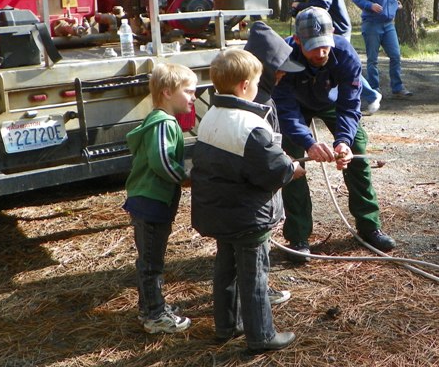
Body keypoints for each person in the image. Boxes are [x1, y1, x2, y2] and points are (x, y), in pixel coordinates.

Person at [191, 49, 304, 352]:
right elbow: (272, 171)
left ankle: (226, 324)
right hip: (247, 216)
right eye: (255, 81)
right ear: (244, 86)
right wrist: (292, 168)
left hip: (219, 212)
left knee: (225, 268)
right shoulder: (250, 126)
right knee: (255, 275)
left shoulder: (210, 116)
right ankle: (262, 335)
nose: (257, 87)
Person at [272, 7, 397, 260]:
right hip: (296, 105)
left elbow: (350, 105)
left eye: (324, 46)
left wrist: (344, 142)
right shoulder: (283, 57)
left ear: (333, 35)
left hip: (329, 101)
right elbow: (285, 110)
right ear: (297, 40)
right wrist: (308, 143)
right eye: (313, 47)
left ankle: (369, 226)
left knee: (357, 151)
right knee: (292, 164)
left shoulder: (345, 53)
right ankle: (297, 238)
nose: (320, 53)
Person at [122, 62, 197, 334]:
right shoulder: (165, 123)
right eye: (188, 91)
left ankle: (149, 308)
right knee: (152, 263)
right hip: (152, 202)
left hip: (147, 200)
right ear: (167, 92)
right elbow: (161, 161)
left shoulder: (157, 119)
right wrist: (185, 177)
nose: (193, 97)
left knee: (148, 259)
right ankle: (154, 315)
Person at [243, 20, 307, 306]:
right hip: (254, 194)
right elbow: (261, 152)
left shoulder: (261, 95)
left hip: (256, 188)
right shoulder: (257, 103)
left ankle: (247, 293)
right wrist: (287, 168)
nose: (283, 74)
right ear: (263, 68)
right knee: (255, 245)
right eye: (278, 68)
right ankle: (257, 298)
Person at [291, 0, 382, 115]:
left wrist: (300, 6)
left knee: (343, 65)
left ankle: (371, 95)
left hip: (335, 31)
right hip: (333, 29)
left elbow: (321, 7)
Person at [351, 0, 412, 98]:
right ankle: (374, 90)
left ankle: (397, 87)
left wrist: (395, 4)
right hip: (372, 24)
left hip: (388, 24)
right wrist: (369, 5)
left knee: (396, 55)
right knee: (373, 59)